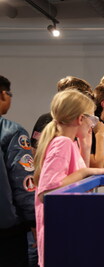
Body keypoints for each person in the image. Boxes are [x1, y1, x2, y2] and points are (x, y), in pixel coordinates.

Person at [33, 90, 104, 267]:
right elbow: (46, 191)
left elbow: (71, 176)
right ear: (80, 119)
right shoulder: (62, 143)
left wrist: (86, 152)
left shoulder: (68, 143)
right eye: (92, 120)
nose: (93, 125)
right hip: (59, 236)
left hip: (66, 229)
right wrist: (85, 172)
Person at [0, 75, 35, 267]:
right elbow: (24, 182)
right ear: (3, 94)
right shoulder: (12, 132)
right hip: (7, 231)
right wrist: (33, 220)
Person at [31, 76, 93, 153]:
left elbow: (81, 164)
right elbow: (35, 151)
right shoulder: (63, 143)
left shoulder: (80, 130)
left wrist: (85, 148)